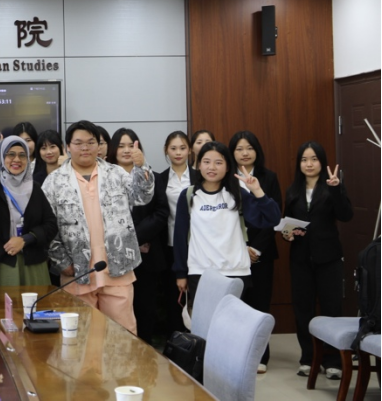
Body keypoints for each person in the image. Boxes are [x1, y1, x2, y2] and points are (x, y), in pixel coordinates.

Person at [42, 120, 154, 334]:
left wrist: (141, 168)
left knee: (122, 334)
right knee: (83, 336)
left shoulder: (116, 173)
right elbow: (48, 225)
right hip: (77, 270)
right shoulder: (54, 181)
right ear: (68, 147)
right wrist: (62, 262)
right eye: (78, 143)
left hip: (117, 267)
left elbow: (142, 197)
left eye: (91, 142)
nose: (85, 147)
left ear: (99, 145)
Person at [173, 142, 281, 304]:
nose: (212, 167)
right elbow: (180, 236)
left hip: (236, 271)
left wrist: (257, 191)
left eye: (218, 162)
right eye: (206, 162)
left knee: (232, 318)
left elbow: (272, 219)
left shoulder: (237, 194)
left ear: (228, 167)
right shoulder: (188, 195)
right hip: (201, 271)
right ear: (199, 165)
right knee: (205, 320)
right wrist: (181, 272)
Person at [283, 141, 353, 380]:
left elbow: (346, 215)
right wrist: (287, 234)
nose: (309, 164)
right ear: (299, 164)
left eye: (314, 159)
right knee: (303, 310)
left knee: (331, 309)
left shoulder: (331, 187)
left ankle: (333, 361)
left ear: (322, 162)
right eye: (304, 159)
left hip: (328, 258)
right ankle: (308, 358)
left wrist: (336, 189)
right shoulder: (293, 190)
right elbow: (286, 223)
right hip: (300, 259)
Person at [0, 136, 58, 286]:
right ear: (1, 157)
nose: (17, 159)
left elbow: (51, 224)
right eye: (10, 154)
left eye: (22, 155)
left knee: (36, 301)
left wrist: (26, 239)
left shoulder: (34, 188)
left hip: (32, 264)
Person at [229, 130, 282, 373]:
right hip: (233, 252)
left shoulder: (269, 177)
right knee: (237, 306)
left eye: (249, 148)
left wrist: (256, 248)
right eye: (239, 148)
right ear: (232, 153)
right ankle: (237, 354)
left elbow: (274, 216)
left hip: (262, 252)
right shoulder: (227, 178)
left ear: (257, 150)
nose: (245, 153)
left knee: (260, 305)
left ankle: (261, 356)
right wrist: (241, 247)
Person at [109, 128, 169, 344]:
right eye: (121, 146)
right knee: (118, 308)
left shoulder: (151, 176)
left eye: (131, 145)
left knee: (145, 307)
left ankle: (145, 350)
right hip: (114, 256)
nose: (126, 150)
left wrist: (135, 238)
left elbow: (161, 212)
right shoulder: (105, 177)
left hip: (146, 254)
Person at [156, 131, 193, 336]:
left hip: (197, 245)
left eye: (182, 148)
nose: (178, 153)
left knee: (196, 297)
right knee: (173, 298)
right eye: (173, 148)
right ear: (166, 151)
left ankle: (197, 344)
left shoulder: (199, 176)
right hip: (169, 244)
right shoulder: (160, 179)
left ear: (190, 150)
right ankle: (175, 342)